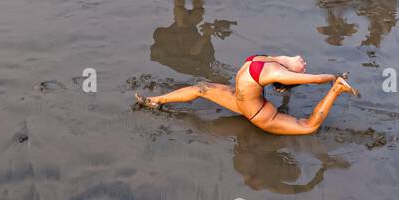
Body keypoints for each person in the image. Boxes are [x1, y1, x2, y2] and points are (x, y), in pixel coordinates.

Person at [135, 55, 359, 136]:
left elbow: (310, 76)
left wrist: (332, 77)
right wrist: (328, 75)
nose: (302, 63)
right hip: (244, 103)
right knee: (200, 88)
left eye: (301, 65)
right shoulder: (276, 65)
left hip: (257, 112)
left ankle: (337, 88)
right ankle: (156, 101)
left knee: (309, 126)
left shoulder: (269, 63)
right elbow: (310, 76)